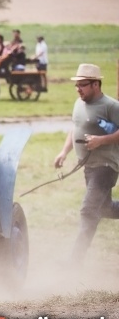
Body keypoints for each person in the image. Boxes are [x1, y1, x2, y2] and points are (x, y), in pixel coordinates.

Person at [53, 64, 119, 264]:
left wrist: (101, 141)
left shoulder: (111, 106)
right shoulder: (78, 104)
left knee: (88, 211)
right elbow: (75, 129)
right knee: (104, 208)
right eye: (77, 85)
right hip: (89, 167)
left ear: (96, 84)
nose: (78, 89)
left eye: (82, 85)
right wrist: (64, 152)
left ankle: (74, 262)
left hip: (106, 167)